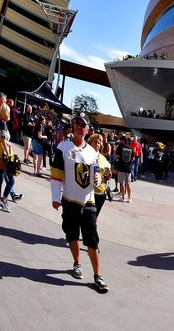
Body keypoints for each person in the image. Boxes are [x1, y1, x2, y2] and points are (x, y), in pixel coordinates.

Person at [50, 113, 109, 292]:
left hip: (88, 202)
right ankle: (77, 263)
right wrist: (55, 197)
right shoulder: (63, 147)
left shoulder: (92, 152)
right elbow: (56, 174)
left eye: (83, 125)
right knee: (72, 234)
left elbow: (98, 174)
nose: (79, 127)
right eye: (76, 123)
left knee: (92, 238)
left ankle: (98, 276)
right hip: (69, 201)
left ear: (87, 130)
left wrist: (98, 178)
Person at [0, 122, 19, 212]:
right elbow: (3, 140)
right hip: (3, 156)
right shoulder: (3, 124)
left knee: (0, 179)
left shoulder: (1, 123)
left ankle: (0, 200)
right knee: (11, 180)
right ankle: (3, 199)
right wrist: (8, 155)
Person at [115, 135, 133, 203]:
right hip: (128, 168)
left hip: (121, 167)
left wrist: (119, 158)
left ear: (122, 141)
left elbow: (116, 156)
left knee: (122, 183)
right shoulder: (131, 149)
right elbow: (133, 158)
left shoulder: (120, 147)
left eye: (120, 140)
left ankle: (123, 197)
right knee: (128, 184)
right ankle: (129, 198)